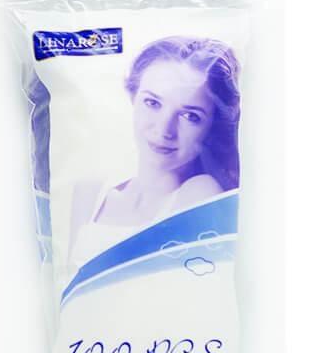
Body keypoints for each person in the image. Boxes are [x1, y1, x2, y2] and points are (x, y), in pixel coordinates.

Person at [69, 36, 241, 268]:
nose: (164, 129)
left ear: (212, 126)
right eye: (152, 103)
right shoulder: (90, 192)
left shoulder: (200, 192)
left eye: (190, 116)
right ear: (133, 98)